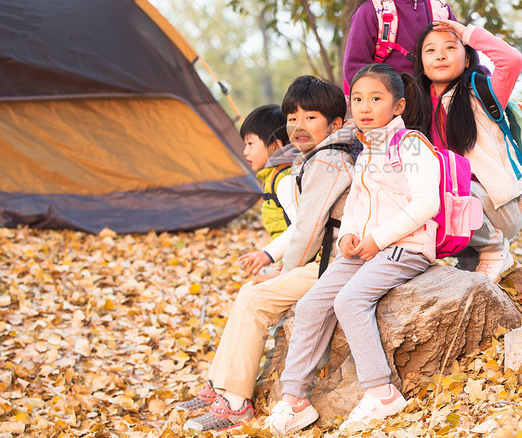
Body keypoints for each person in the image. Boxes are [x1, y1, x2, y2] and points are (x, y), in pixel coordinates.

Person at [265, 64, 441, 435]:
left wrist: (379, 238)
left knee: (349, 301)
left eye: (376, 99)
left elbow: (427, 203)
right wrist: (351, 235)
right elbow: (358, 206)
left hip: (404, 247)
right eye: (358, 98)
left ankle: (382, 393)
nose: (364, 106)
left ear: (398, 106)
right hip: (365, 248)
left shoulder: (410, 144)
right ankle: (294, 399)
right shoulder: (365, 150)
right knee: (313, 302)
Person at [179, 77, 356, 434]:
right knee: (250, 294)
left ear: (335, 124)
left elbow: (307, 231)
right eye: (293, 118)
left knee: (256, 299)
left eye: (310, 118)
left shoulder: (329, 161)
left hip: (335, 265)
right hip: (322, 261)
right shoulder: (319, 156)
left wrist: (283, 271)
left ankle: (234, 403)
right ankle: (221, 386)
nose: (298, 126)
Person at [413, 19, 522, 282]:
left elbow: (511, 60)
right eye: (430, 50)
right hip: (457, 214)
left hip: (497, 207)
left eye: (451, 48)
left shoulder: (482, 92)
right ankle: (474, 256)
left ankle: (494, 247)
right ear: (422, 64)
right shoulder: (418, 106)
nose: (440, 55)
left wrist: (467, 33)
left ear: (467, 59)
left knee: (443, 190)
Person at [240, 104, 299, 242]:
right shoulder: (272, 175)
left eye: (250, 143)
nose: (245, 151)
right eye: (244, 144)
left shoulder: (283, 178)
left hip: (294, 256)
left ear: (275, 146)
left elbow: (300, 227)